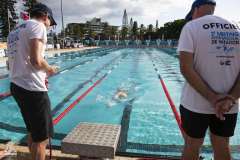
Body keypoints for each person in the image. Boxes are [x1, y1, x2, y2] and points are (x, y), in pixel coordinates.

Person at [177, 0, 240, 159]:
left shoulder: (191, 27)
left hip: (195, 103)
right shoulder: (237, 29)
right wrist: (230, 98)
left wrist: (212, 98)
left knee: (192, 145)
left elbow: (186, 68)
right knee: (222, 146)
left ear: (195, 9)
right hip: (228, 105)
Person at [7, 3, 58, 160]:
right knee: (42, 139)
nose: (50, 26)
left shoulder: (15, 30)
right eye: (50, 22)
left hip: (17, 85)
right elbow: (36, 60)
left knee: (33, 133)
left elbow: (11, 63)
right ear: (45, 16)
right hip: (32, 89)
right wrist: (50, 69)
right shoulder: (38, 26)